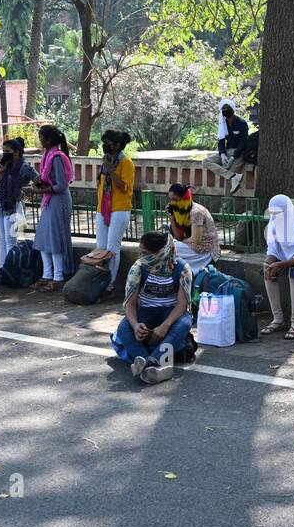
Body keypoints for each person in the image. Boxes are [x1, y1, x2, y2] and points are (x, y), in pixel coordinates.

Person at [112, 231, 194, 384]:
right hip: (146, 312)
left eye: (145, 253)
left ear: (160, 253)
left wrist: (165, 326)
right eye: (140, 252)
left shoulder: (182, 269)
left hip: (171, 313)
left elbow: (182, 305)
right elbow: (129, 304)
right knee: (124, 328)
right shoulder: (138, 268)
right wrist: (136, 325)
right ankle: (152, 364)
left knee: (184, 323)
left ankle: (149, 362)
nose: (141, 257)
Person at [260, 194, 294, 339]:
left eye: (278, 213)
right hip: (284, 260)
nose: (275, 217)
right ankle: (277, 319)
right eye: (273, 213)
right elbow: (272, 250)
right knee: (267, 269)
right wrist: (269, 263)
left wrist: (278, 264)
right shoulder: (273, 222)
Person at [31, 124, 75, 290]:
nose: (40, 139)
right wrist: (39, 184)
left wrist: (39, 190)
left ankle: (58, 277)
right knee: (43, 237)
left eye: (41, 137)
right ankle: (47, 274)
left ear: (49, 139)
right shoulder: (47, 155)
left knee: (55, 238)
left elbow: (61, 185)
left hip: (59, 200)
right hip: (50, 200)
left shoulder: (57, 157)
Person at [94, 129, 134, 289]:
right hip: (103, 208)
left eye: (108, 143)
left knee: (112, 248)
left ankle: (109, 286)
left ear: (117, 145)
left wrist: (111, 170)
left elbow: (124, 188)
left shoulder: (126, 163)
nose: (105, 146)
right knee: (101, 248)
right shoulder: (106, 160)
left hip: (120, 209)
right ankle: (100, 282)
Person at [0, 137, 34, 267]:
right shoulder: (5, 164)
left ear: (16, 152)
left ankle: (10, 269)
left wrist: (26, 189)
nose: (4, 153)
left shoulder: (24, 166)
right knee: (2, 240)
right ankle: (2, 268)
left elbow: (39, 179)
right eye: (3, 150)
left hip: (14, 205)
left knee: (11, 240)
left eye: (7, 151)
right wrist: (1, 171)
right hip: (1, 203)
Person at [167, 183, 220, 274]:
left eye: (175, 199)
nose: (171, 203)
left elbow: (196, 241)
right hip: (190, 245)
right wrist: (172, 218)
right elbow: (179, 237)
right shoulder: (178, 210)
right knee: (165, 248)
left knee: (167, 251)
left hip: (206, 251)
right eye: (170, 199)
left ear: (184, 198)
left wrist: (178, 241)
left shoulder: (196, 212)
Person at [206, 99, 249, 193]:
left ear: (233, 109)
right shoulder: (223, 124)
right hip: (227, 152)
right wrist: (222, 155)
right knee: (206, 161)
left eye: (228, 108)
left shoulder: (241, 123)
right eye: (224, 108)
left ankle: (226, 206)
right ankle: (231, 175)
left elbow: (243, 143)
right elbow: (221, 142)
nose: (226, 110)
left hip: (238, 154)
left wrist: (233, 157)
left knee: (229, 183)